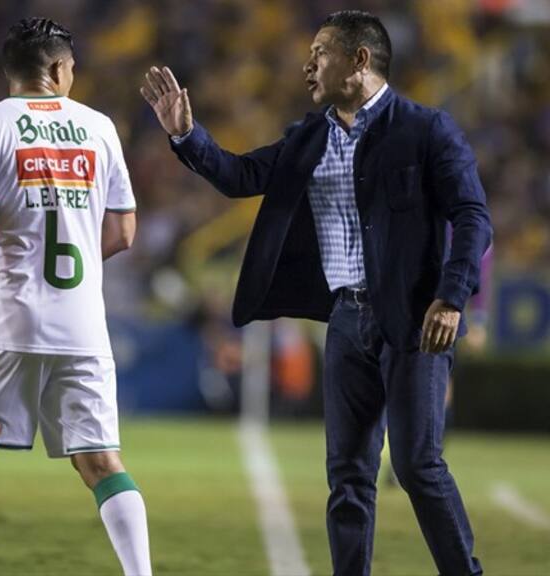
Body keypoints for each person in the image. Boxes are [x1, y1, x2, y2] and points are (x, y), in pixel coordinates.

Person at [141, 9, 490, 576]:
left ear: (360, 60)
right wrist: (185, 133)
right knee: (348, 475)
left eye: (321, 52)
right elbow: (238, 177)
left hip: (415, 321)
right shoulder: (306, 138)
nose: (307, 64)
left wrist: (451, 297)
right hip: (346, 322)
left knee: (417, 465)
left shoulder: (427, 129)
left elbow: (473, 216)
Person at [0, 17, 151, 576]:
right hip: (82, 325)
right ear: (58, 69)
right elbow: (125, 232)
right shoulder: (100, 127)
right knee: (102, 462)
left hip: (7, 323)